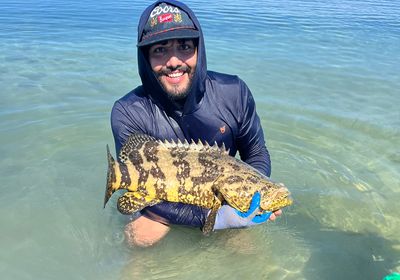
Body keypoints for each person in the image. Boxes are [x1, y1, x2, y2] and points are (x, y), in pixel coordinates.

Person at [111, 0, 282, 247]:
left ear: (198, 50)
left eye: (184, 46)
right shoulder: (127, 111)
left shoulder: (234, 92)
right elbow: (135, 181)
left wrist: (251, 198)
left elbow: (256, 152)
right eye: (159, 50)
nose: (173, 61)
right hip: (163, 205)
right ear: (145, 58)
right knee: (138, 237)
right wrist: (211, 219)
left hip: (222, 198)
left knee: (247, 248)